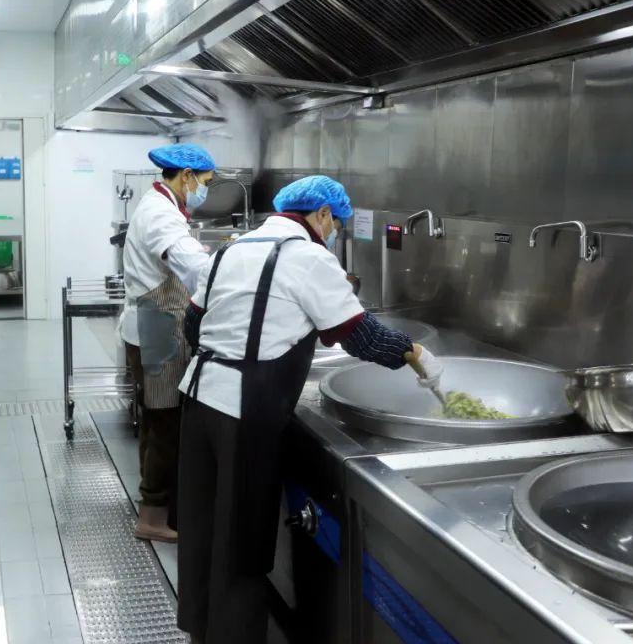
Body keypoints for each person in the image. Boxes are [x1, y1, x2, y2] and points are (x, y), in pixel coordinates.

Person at [175, 175, 443, 644]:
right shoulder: (308, 257)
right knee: (242, 542)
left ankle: (201, 632)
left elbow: (193, 323)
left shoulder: (230, 251)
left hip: (197, 403)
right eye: (336, 223)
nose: (334, 231)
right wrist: (417, 355)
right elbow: (361, 336)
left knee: (203, 529)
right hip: (244, 413)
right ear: (321, 214)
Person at [119, 142, 216, 543]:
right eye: (205, 182)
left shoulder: (161, 205)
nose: (206, 189)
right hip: (158, 329)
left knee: (156, 420)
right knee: (165, 423)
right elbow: (193, 265)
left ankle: (155, 504)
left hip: (153, 326)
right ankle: (153, 517)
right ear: (186, 177)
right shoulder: (160, 214)